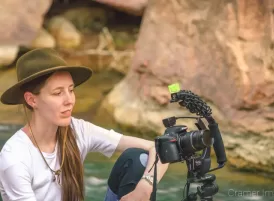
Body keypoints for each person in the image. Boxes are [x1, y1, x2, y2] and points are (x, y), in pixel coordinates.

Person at [0, 48, 169, 201]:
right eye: (58, 93)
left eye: (71, 90)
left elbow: (160, 149)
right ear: (32, 99)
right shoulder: (15, 158)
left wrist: (146, 186)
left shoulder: (77, 130)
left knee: (137, 159)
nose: (70, 100)